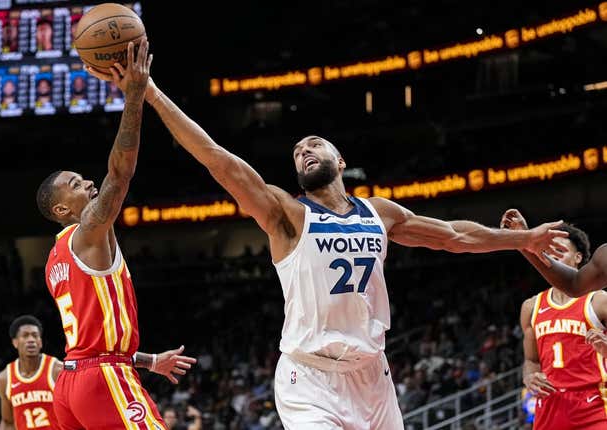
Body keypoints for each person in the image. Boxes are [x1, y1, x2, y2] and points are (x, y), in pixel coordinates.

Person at [89, 59, 569, 427]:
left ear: (340, 161)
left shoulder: (379, 212)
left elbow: (454, 236)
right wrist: (149, 93)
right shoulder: (288, 216)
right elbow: (217, 159)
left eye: (315, 143)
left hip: (372, 374)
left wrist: (523, 238)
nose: (304, 149)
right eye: (298, 150)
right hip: (309, 378)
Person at [37, 39, 197, 429]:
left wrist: (147, 361)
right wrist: (135, 96)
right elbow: (120, 172)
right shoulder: (90, 232)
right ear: (62, 210)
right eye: (76, 184)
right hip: (102, 380)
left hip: (71, 382)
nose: (88, 182)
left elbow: (90, 340)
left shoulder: (54, 259)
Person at [506, 215, 607, 429]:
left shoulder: (599, 301)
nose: (553, 256)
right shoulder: (531, 307)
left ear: (578, 257)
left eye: (560, 251)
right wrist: (530, 376)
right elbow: (532, 361)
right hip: (550, 405)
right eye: (549, 251)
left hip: (594, 403)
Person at [0, 315, 62, 430]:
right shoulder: (4, 379)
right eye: (25, 336)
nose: (31, 340)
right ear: (15, 342)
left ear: (40, 342)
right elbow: (8, 422)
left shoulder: (58, 370)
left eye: (35, 336)